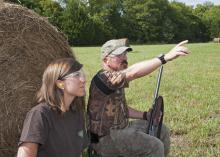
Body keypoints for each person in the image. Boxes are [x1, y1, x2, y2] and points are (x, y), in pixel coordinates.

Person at [87, 38, 190, 157]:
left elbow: (121, 108)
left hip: (121, 128)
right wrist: (164, 58)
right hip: (103, 139)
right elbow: (132, 72)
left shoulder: (116, 80)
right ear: (106, 59)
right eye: (119, 55)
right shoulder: (103, 78)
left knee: (162, 130)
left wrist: (145, 115)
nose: (124, 58)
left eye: (125, 54)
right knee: (155, 147)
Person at [17, 58, 88, 157]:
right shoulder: (40, 114)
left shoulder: (77, 114)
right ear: (60, 83)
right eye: (76, 75)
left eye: (82, 74)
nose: (83, 80)